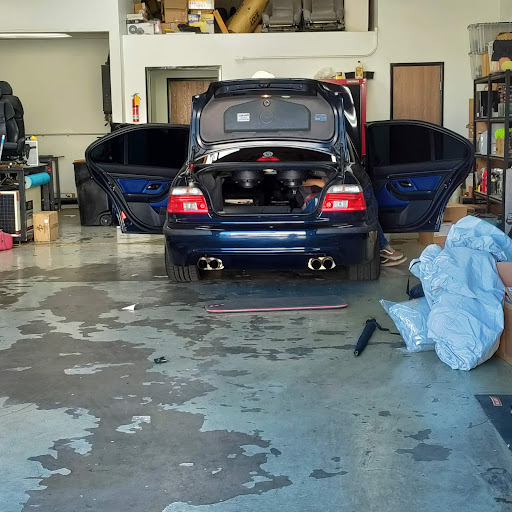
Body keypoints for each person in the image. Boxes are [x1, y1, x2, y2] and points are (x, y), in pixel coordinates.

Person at [300, 178, 406, 267]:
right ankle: (383, 248)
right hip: (313, 206)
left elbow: (327, 184)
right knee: (366, 210)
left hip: (325, 204)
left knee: (365, 207)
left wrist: (312, 182)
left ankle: (382, 248)